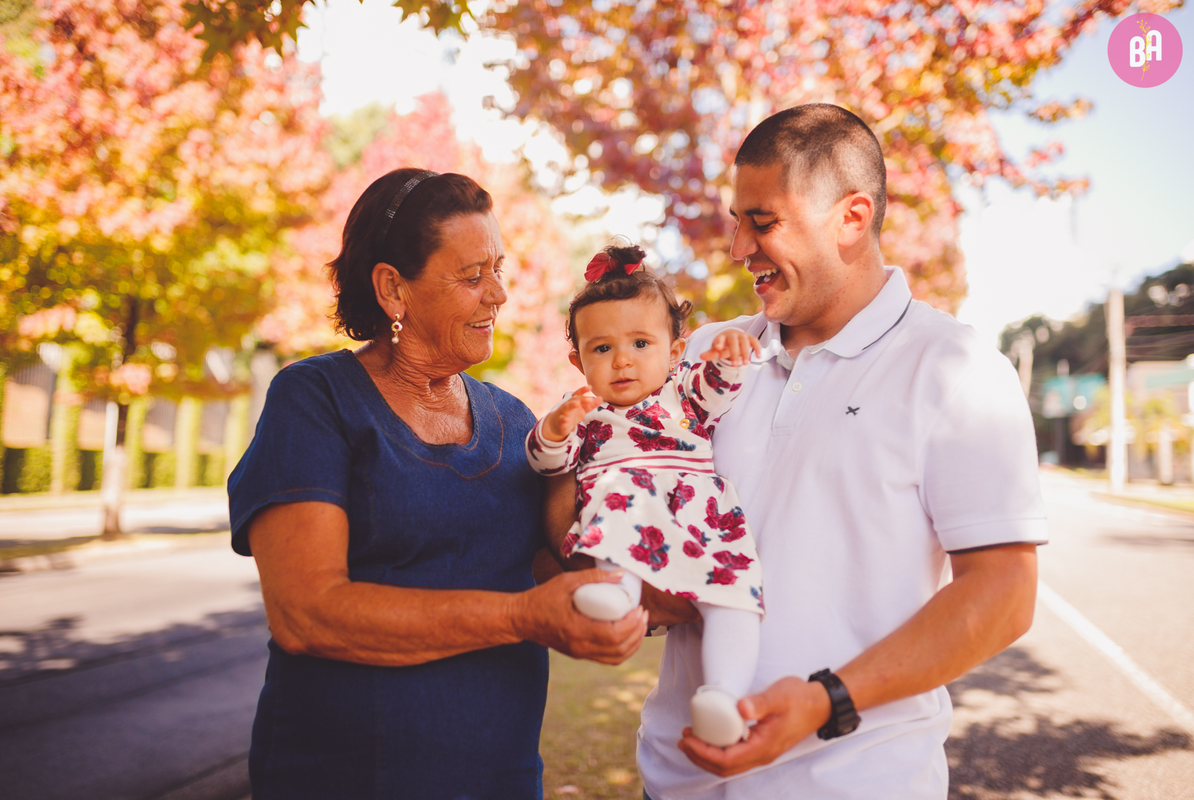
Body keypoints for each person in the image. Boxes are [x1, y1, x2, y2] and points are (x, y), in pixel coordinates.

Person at [632, 104, 1048, 798]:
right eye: (738, 221)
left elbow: (1003, 593)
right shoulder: (705, 355)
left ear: (851, 219)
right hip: (674, 782)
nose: (738, 249)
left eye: (761, 223)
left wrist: (827, 700)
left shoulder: (956, 368)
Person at [227, 168, 648, 800]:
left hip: (500, 778)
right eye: (472, 276)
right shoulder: (316, 399)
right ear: (394, 290)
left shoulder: (514, 422)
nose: (499, 294)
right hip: (343, 779)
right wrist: (521, 617)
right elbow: (306, 613)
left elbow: (552, 567)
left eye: (498, 269)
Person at [525, 244, 764, 747]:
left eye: (640, 343)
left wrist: (728, 357)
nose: (623, 362)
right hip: (627, 515)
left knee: (734, 598)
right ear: (579, 360)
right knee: (617, 499)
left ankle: (722, 694)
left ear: (675, 352)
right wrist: (552, 430)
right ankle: (618, 593)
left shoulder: (683, 391)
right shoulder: (584, 410)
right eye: (603, 349)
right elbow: (549, 462)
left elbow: (717, 387)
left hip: (701, 519)